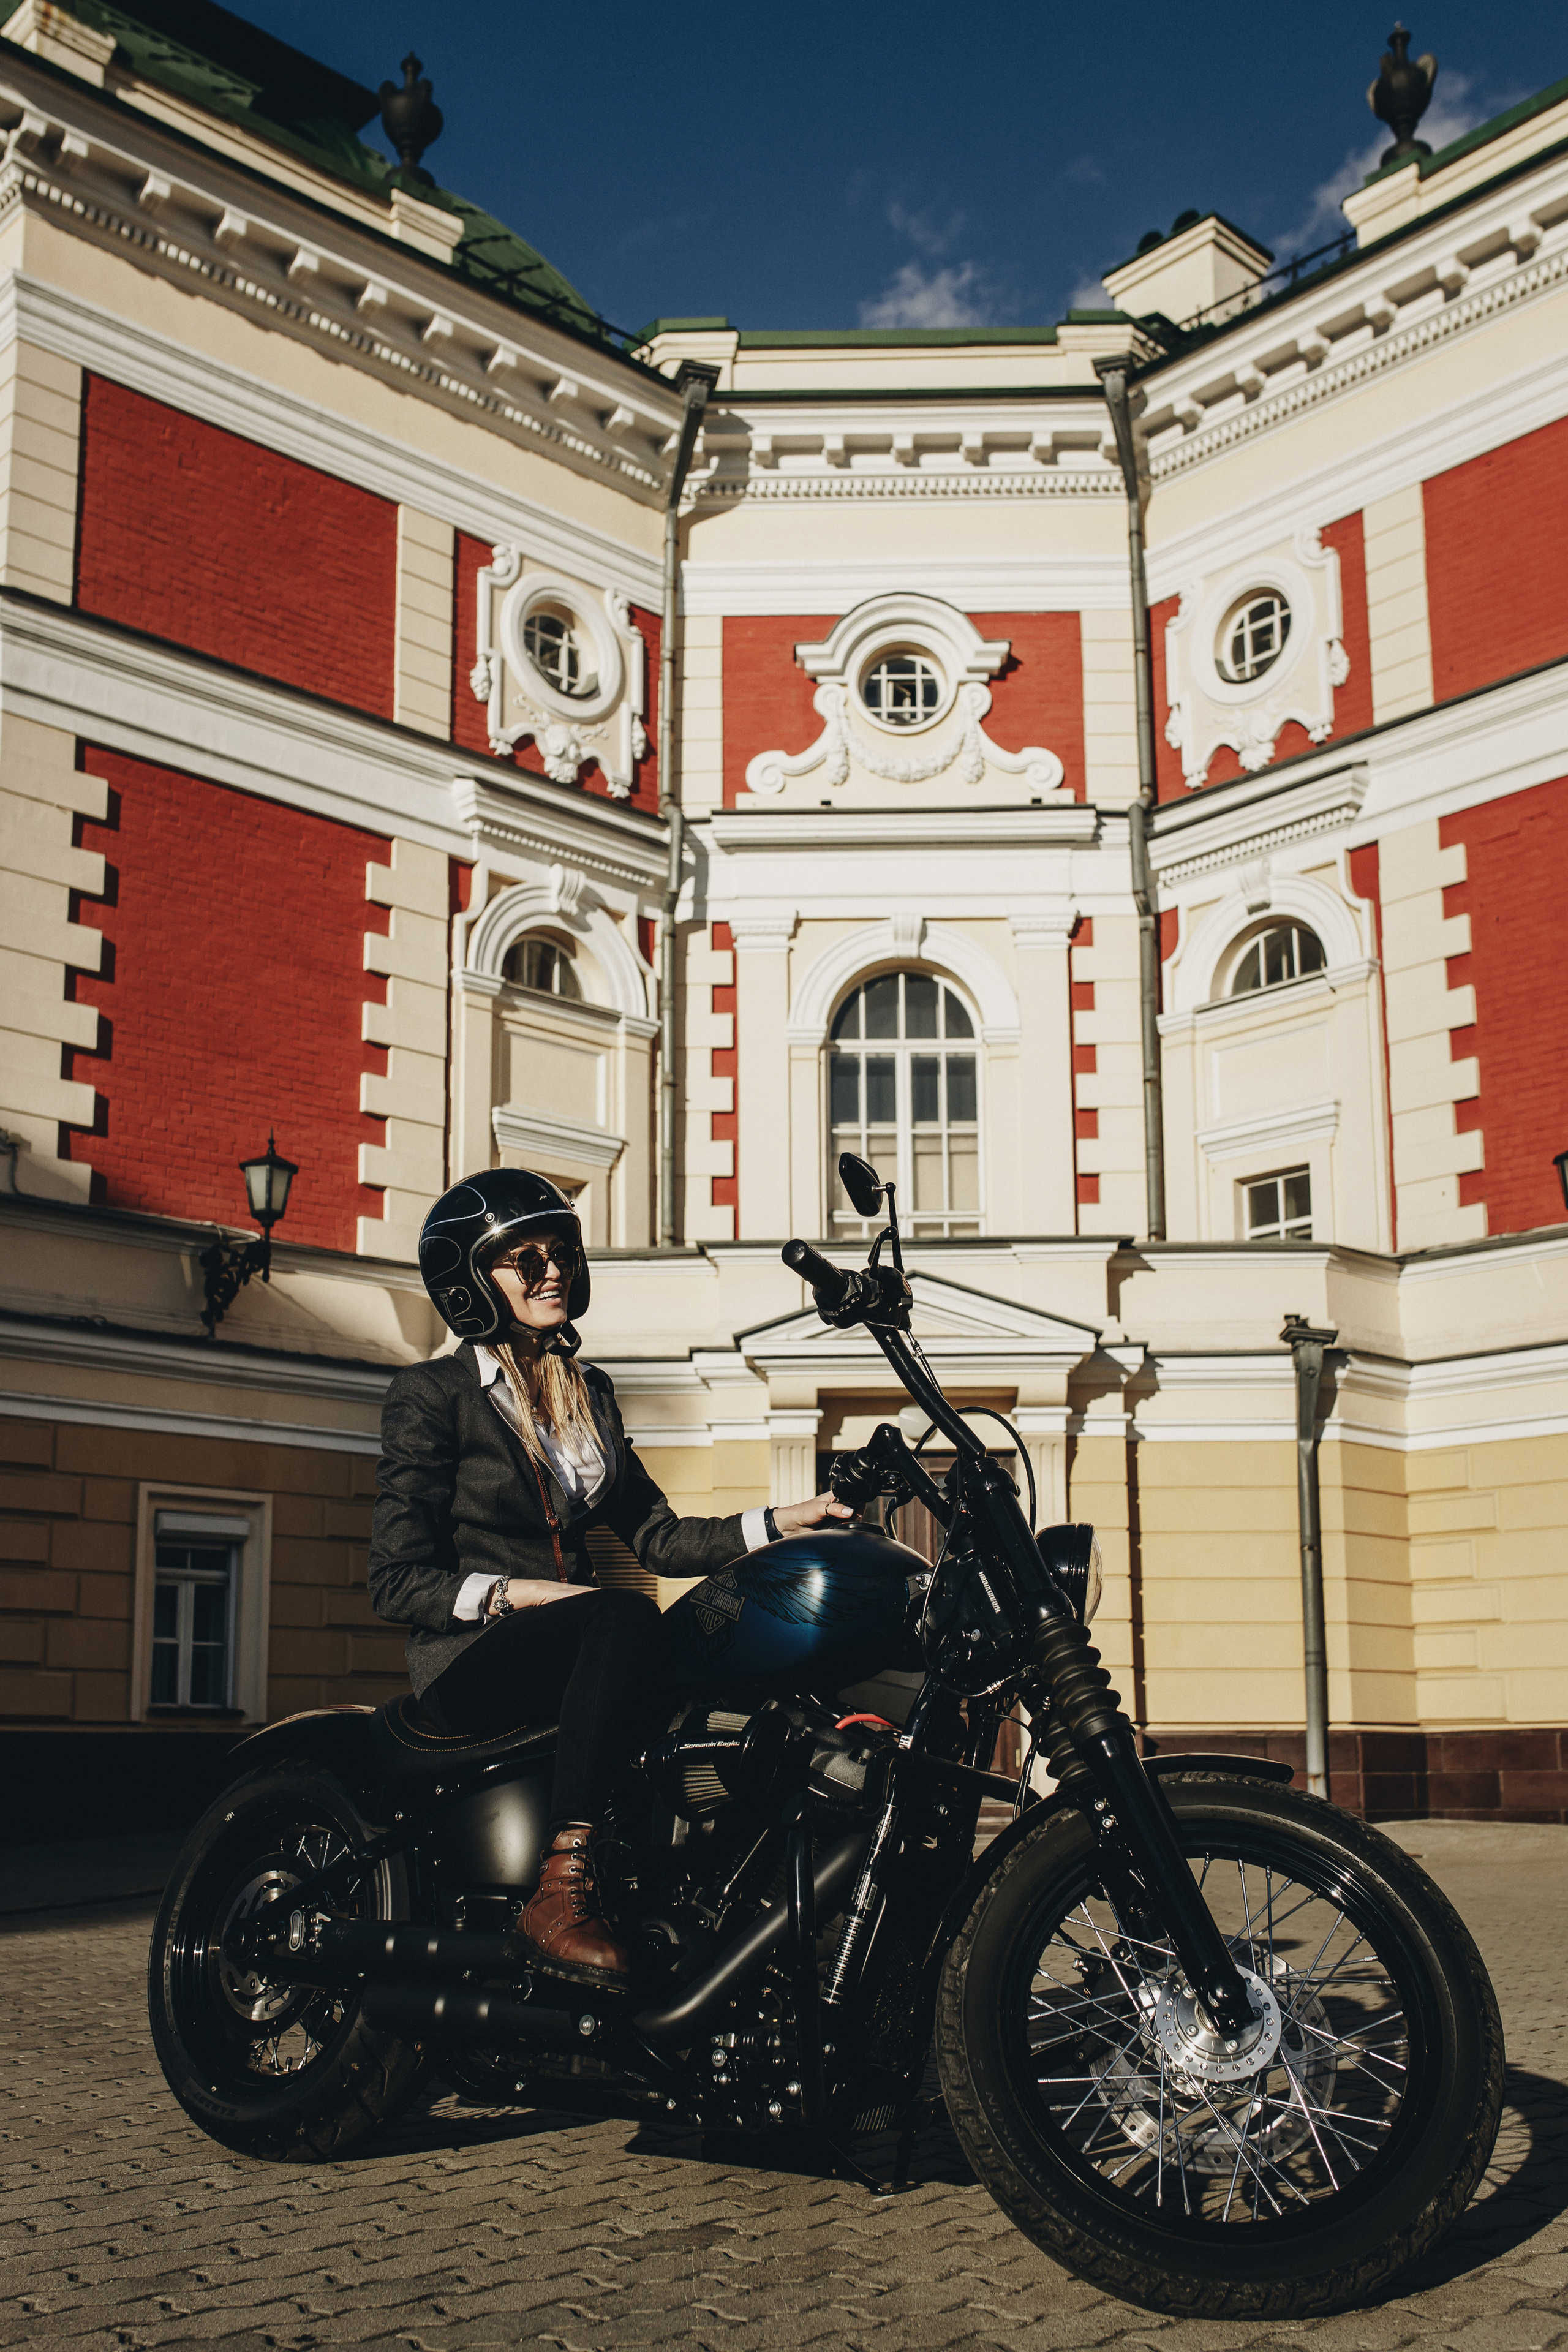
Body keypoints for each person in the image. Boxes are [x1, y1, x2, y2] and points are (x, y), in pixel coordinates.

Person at [369, 1169, 848, 1989]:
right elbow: (395, 1580)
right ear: (472, 1281)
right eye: (525, 1259)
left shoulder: (587, 1396)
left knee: (716, 1651)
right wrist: (523, 1595)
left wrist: (779, 1523)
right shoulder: (434, 1395)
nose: (552, 1270)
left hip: (578, 1646)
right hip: (470, 1661)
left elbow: (659, 1536)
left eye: (560, 1254)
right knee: (624, 1618)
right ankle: (561, 1894)